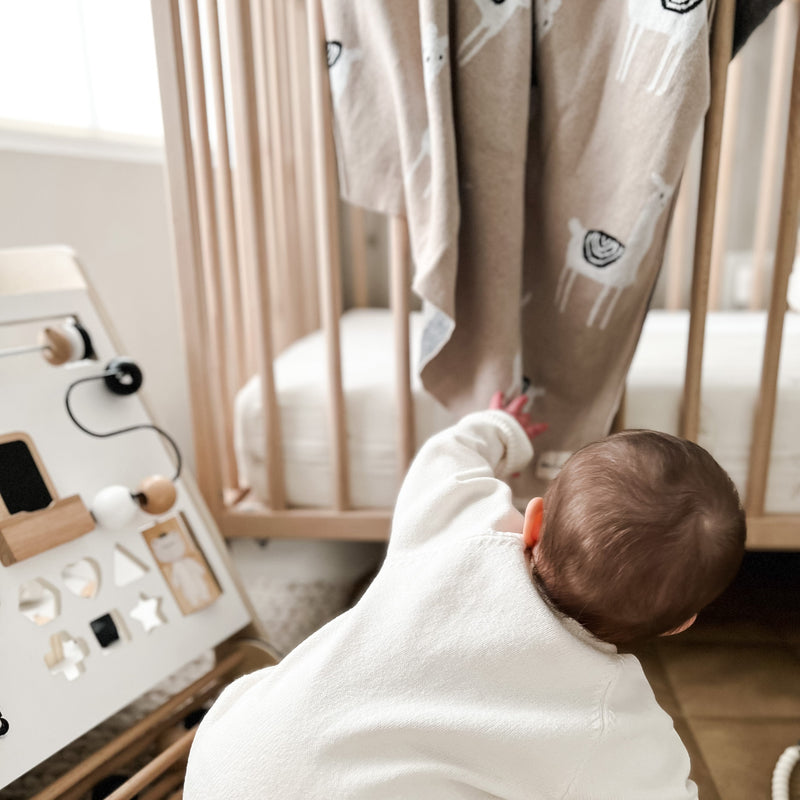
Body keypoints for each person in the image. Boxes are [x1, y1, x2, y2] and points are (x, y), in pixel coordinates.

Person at [183, 393, 746, 799]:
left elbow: (448, 454)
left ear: (534, 522)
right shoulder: (611, 721)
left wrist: (501, 426)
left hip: (229, 758)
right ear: (680, 623)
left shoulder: (462, 527)